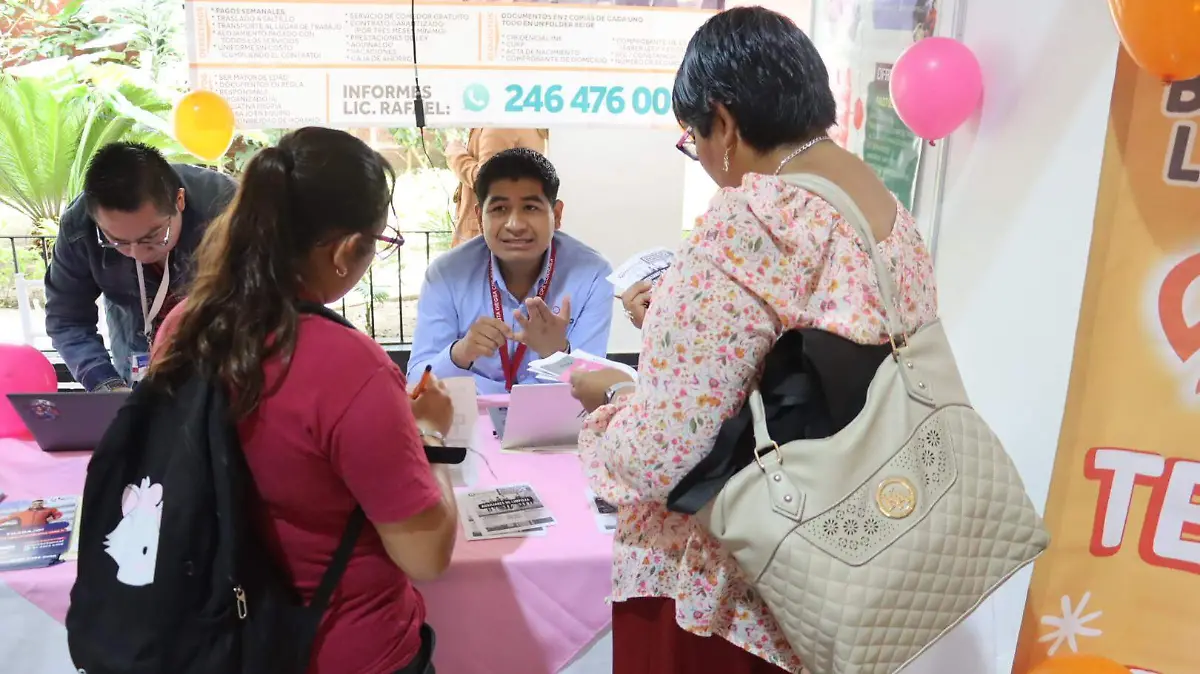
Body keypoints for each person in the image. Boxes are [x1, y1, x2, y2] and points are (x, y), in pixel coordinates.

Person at [569, 7, 938, 674]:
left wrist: (607, 414)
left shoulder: (753, 218)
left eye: (696, 140)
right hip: (844, 565)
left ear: (726, 123)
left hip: (728, 598)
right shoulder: (884, 211)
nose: (707, 162)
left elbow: (663, 454)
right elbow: (804, 372)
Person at [149, 127, 459, 674]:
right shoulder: (351, 368)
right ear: (344, 250)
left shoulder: (182, 325)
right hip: (341, 649)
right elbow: (426, 554)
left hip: (216, 637)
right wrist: (430, 433)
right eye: (378, 245)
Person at [408, 148, 614, 395]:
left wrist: (557, 354)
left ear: (556, 215)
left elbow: (594, 387)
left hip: (554, 424)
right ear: (479, 217)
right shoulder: (446, 275)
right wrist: (460, 354)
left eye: (530, 207)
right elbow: (416, 382)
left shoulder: (592, 275)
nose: (515, 225)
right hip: (470, 421)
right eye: (499, 209)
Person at [43, 142, 237, 392]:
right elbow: (67, 319)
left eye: (152, 237)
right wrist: (106, 384)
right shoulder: (79, 228)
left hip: (223, 369)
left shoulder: (228, 209)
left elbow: (269, 301)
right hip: (135, 369)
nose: (136, 253)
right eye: (117, 241)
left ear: (179, 200)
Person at [445, 128, 548, 247]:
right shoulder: (521, 122)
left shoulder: (498, 127)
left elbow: (488, 179)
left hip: (482, 237)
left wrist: (455, 154)